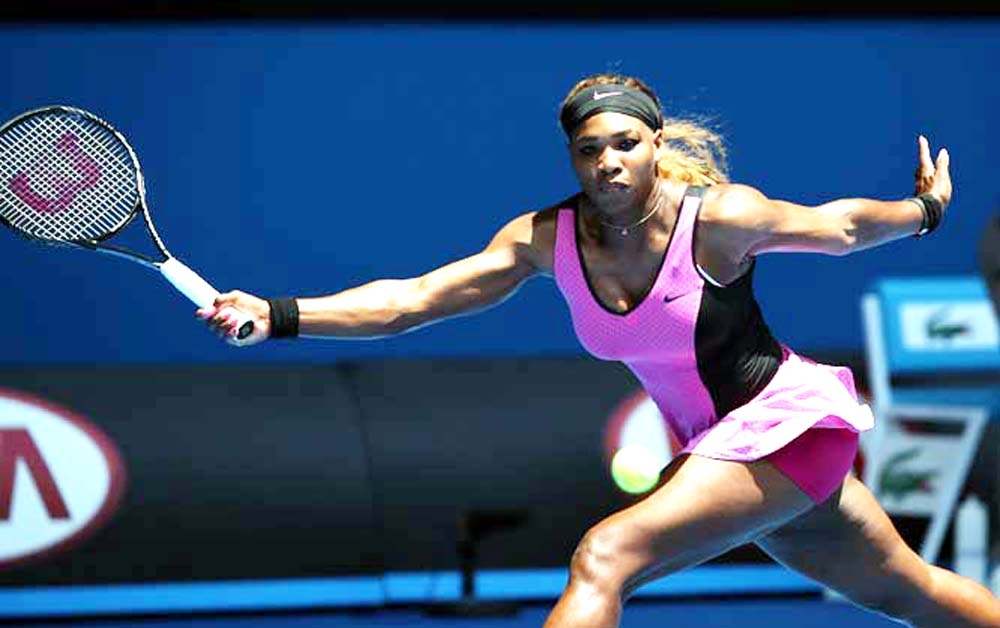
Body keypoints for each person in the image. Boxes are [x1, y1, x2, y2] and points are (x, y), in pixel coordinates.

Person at [197, 73, 1000, 627]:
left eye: (624, 143)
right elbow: (413, 301)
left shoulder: (719, 217)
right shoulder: (544, 239)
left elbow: (842, 228)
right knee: (909, 593)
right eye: (589, 149)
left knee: (605, 556)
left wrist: (925, 210)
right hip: (724, 445)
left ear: (656, 142)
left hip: (784, 427)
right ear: (573, 158)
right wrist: (280, 314)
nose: (607, 162)